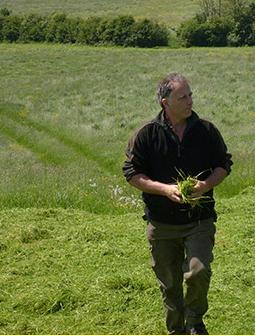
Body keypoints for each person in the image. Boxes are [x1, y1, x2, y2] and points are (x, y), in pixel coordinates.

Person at [122, 73, 233, 335]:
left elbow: (224, 164)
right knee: (169, 283)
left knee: (198, 271)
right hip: (161, 223)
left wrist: (205, 185)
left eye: (190, 94)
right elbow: (132, 173)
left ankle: (195, 320)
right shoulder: (146, 134)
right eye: (182, 97)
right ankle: (176, 329)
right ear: (165, 102)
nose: (189, 101)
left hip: (199, 220)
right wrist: (164, 190)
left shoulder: (206, 130)